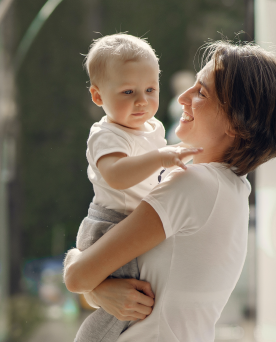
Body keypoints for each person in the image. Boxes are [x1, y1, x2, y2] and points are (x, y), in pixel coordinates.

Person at [64, 40, 276, 342]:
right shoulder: (234, 187)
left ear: (236, 124)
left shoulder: (194, 184)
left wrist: (92, 284)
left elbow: (77, 276)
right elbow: (128, 290)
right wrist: (101, 291)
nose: (182, 97)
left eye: (201, 92)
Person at [70, 33, 202, 342]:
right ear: (98, 96)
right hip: (109, 224)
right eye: (128, 91)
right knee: (119, 309)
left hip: (129, 221)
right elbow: (116, 175)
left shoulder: (152, 127)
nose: (141, 101)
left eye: (150, 89)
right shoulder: (107, 134)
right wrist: (161, 157)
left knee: (129, 303)